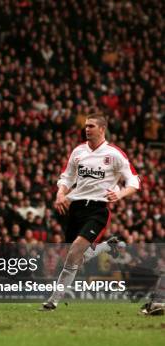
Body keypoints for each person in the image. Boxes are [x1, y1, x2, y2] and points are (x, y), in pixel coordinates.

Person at [42, 112, 140, 310]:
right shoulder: (78, 151)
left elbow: (134, 181)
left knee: (76, 250)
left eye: (91, 126)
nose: (86, 129)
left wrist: (120, 195)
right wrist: (60, 194)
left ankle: (53, 300)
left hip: (97, 209)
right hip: (75, 207)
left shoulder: (114, 154)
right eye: (86, 126)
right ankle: (106, 247)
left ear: (102, 129)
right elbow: (67, 177)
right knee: (73, 255)